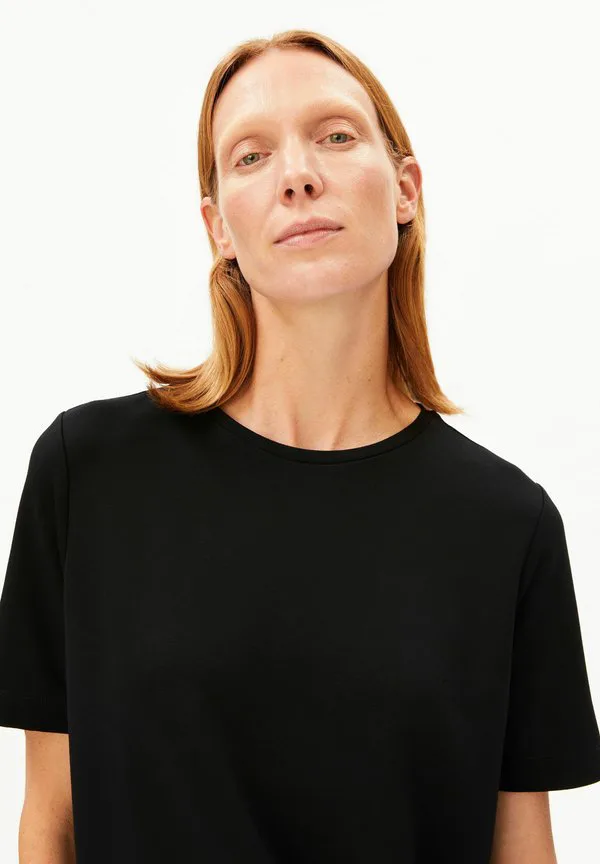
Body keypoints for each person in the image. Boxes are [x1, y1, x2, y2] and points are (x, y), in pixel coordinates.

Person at [1, 28, 599, 864]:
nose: (297, 175)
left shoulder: (508, 525)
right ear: (218, 227)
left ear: (405, 189)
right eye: (251, 156)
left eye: (336, 136)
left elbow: (522, 849)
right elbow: (50, 824)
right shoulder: (87, 473)